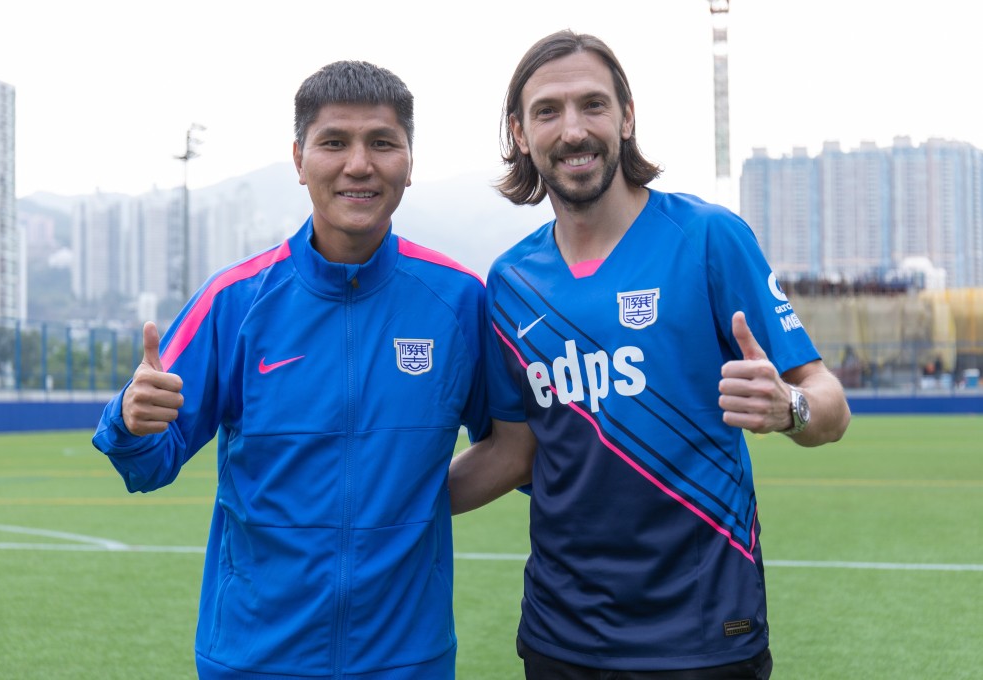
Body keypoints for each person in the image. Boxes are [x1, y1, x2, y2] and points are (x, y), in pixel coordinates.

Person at [449, 30, 851, 679]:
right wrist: (390, 502)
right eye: (548, 111)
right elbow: (512, 452)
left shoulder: (708, 238)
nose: (573, 128)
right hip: (562, 635)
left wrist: (790, 407)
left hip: (708, 631)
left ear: (627, 118)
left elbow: (830, 405)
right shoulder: (511, 284)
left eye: (593, 105)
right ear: (521, 134)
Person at [92, 60, 490, 680]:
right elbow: (148, 464)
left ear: (410, 163)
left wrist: (411, 503)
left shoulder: (460, 300)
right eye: (335, 142)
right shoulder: (234, 302)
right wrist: (130, 418)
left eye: (382, 142)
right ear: (300, 160)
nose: (359, 163)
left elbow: (512, 446)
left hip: (406, 660)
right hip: (254, 657)